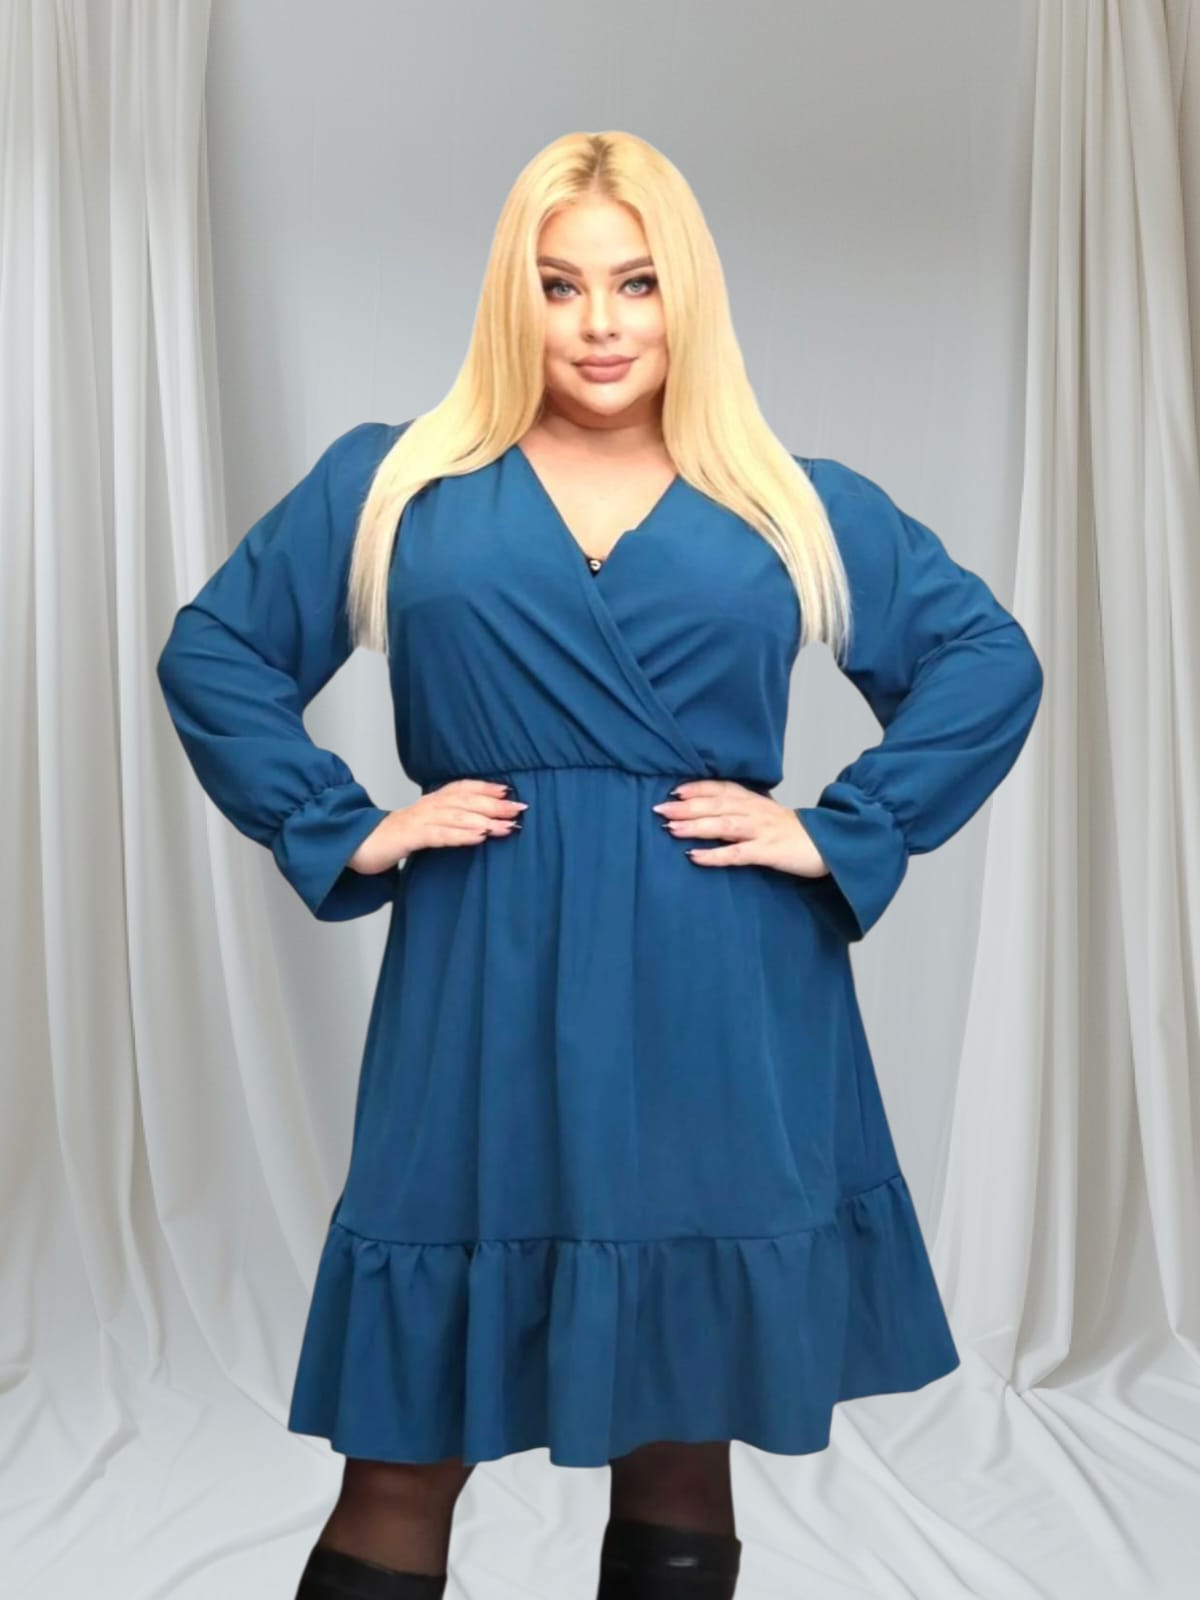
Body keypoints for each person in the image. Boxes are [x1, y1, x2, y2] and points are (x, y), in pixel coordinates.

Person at [156, 130, 1044, 1600]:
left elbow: (984, 659)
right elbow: (219, 651)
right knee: (403, 1447)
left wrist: (845, 825)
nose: (600, 323)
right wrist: (342, 817)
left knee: (682, 1436)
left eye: (637, 283)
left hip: (720, 988)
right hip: (483, 982)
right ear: (514, 298)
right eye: (560, 284)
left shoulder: (785, 496)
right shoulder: (401, 481)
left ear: (687, 294)